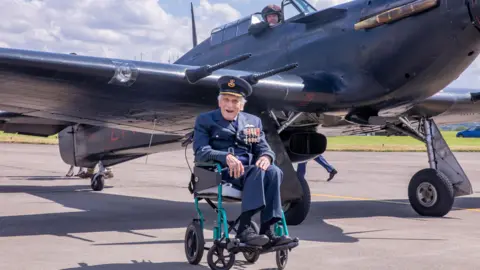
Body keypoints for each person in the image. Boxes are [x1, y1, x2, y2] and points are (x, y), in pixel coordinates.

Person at [192, 75, 292, 247]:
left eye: (235, 101)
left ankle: (268, 230)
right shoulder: (205, 120)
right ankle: (244, 228)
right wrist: (225, 157)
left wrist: (266, 157)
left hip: (251, 174)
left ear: (242, 104)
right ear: (219, 102)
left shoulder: (253, 122)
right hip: (221, 173)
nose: (230, 105)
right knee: (256, 171)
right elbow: (200, 152)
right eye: (226, 100)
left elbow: (264, 148)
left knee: (274, 171)